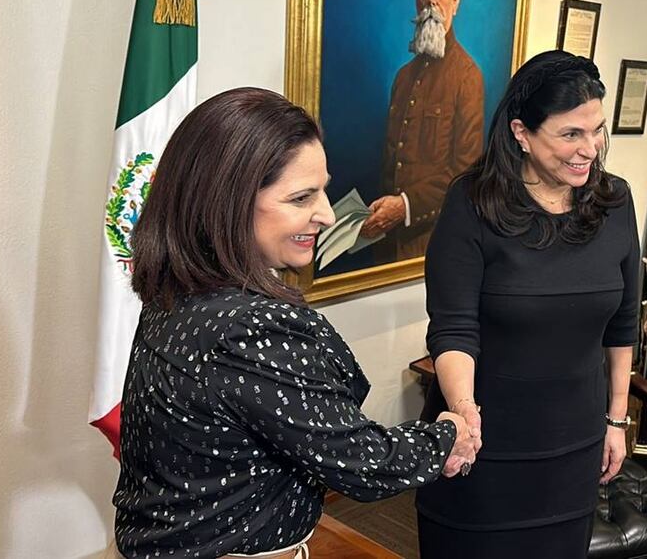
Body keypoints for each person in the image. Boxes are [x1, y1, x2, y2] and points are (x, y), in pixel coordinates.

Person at [109, 87, 478, 559]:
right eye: (301, 197)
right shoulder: (249, 327)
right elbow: (360, 462)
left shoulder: (176, 288)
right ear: (228, 200)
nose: (325, 214)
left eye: (323, 189)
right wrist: (446, 436)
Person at [415, 51, 640, 558]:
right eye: (571, 135)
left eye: (597, 130)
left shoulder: (616, 202)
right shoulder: (471, 204)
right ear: (521, 133)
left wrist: (617, 420)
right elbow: (452, 329)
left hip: (573, 446)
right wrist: (465, 419)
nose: (589, 149)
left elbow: (624, 323)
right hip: (485, 443)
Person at [361, 0, 485, 263]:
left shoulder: (467, 76)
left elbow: (464, 174)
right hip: (387, 246)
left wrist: (404, 207)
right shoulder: (403, 78)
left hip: (431, 249)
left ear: (455, 1)